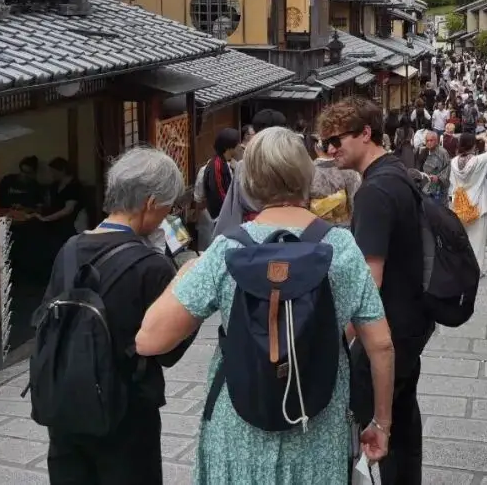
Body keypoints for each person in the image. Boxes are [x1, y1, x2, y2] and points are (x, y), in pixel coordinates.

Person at [136, 128, 394, 485]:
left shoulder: (228, 248)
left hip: (237, 423)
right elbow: (380, 344)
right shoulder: (342, 246)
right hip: (317, 424)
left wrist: (186, 272)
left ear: (249, 181)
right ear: (305, 174)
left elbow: (150, 340)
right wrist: (382, 422)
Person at [44, 147, 195, 484]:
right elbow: (167, 351)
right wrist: (188, 291)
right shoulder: (152, 265)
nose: (169, 215)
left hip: (66, 405)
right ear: (152, 202)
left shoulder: (69, 249)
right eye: (170, 206)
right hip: (125, 412)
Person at [317, 96, 433, 485]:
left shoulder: (373, 193)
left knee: (367, 427)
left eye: (336, 140)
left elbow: (369, 280)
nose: (330, 150)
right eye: (324, 143)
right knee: (402, 421)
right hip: (412, 319)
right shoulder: (397, 173)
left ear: (366, 133)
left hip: (387, 328)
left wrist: (341, 335)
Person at [212, 108, 288, 238]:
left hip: (253, 233)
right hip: (289, 230)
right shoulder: (293, 163)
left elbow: (233, 209)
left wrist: (224, 240)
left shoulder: (244, 165)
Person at [448, 132, 487, 277]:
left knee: (462, 239)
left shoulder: (453, 162)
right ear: (474, 145)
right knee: (477, 240)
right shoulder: (479, 160)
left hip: (460, 204)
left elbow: (453, 184)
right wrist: (484, 138)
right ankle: (475, 270)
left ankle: (461, 267)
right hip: (478, 205)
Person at [309, 138, 362, 225]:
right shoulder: (349, 169)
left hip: (316, 228)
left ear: (316, 147)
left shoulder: (307, 172)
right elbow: (355, 202)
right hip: (346, 226)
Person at [203, 128, 241, 221]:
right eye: (237, 144)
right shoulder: (216, 166)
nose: (239, 146)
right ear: (228, 147)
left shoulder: (227, 162)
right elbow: (220, 194)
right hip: (222, 216)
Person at [415, 130, 451, 204]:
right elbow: (419, 166)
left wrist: (438, 178)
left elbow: (447, 168)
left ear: (436, 141)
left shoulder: (443, 152)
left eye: (431, 140)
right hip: (426, 183)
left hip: (439, 184)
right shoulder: (423, 151)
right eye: (427, 140)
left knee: (440, 208)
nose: (429, 142)